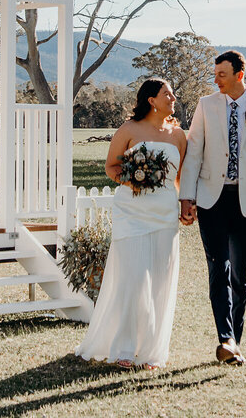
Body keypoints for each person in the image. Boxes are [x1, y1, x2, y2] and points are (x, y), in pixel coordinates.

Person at [179, 50, 246, 366]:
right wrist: (186, 196)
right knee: (217, 267)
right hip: (211, 199)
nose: (216, 80)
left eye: (221, 74)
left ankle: (233, 341)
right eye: (215, 74)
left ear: (239, 75)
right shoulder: (206, 106)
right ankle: (225, 339)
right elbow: (194, 151)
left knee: (240, 274)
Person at [75, 78, 186, 369]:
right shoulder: (128, 130)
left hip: (164, 214)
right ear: (152, 100)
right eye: (167, 93)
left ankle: (151, 351)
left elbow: (179, 179)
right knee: (134, 279)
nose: (173, 97)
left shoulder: (178, 136)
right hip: (132, 212)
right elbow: (111, 167)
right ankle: (124, 347)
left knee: (160, 282)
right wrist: (135, 177)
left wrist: (187, 204)